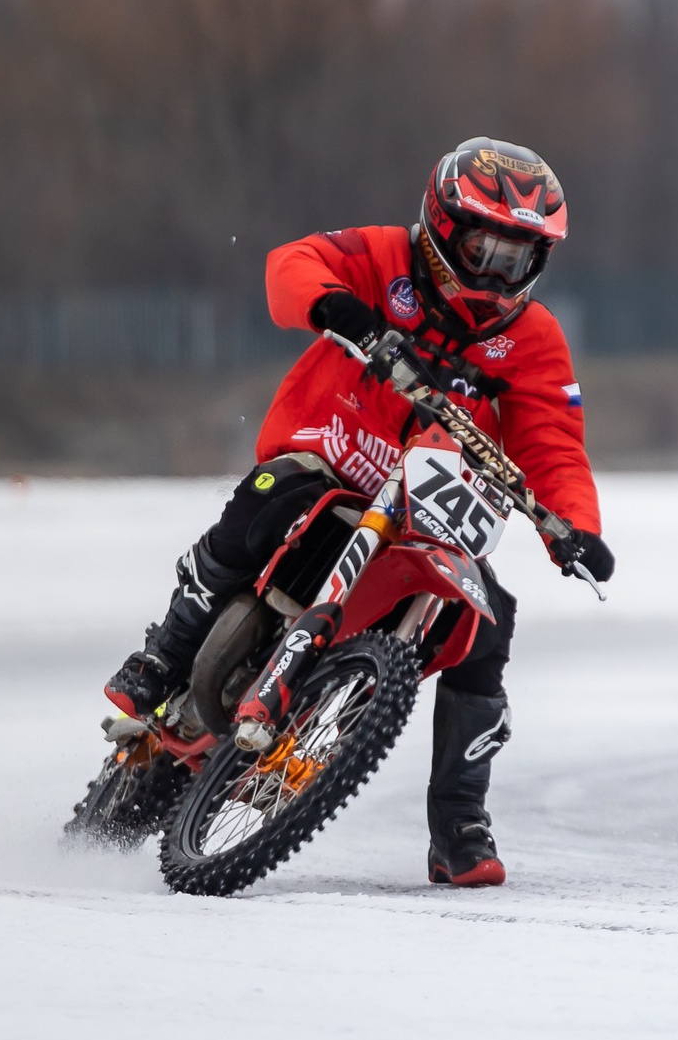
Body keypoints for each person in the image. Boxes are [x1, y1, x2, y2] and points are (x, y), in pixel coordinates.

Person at [99, 138, 614, 887]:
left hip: (426, 504)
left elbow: (553, 443)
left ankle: (459, 823)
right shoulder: (382, 257)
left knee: (489, 620)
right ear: (441, 228)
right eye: (483, 250)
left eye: (516, 258)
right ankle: (163, 657)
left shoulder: (533, 339)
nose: (496, 273)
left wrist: (577, 528)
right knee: (268, 502)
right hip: (329, 453)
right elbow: (290, 266)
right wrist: (337, 305)